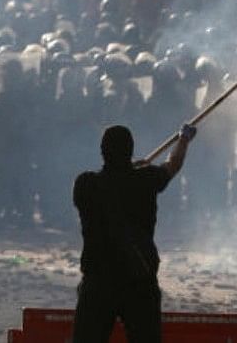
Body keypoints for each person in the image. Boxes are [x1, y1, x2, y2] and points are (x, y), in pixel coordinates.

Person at [71, 123, 196, 343]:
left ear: (102, 151)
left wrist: (131, 170)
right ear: (130, 151)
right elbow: (172, 164)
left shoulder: (85, 185)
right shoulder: (146, 180)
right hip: (138, 279)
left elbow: (115, 183)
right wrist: (183, 139)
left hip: (98, 281)